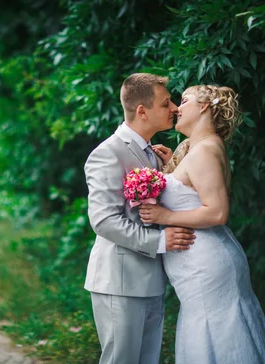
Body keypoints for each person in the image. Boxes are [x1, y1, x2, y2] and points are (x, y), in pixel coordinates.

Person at [140, 85, 265, 364]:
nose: (177, 108)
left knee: (218, 335)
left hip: (206, 263)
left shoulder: (204, 149)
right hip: (198, 263)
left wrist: (165, 218)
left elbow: (217, 213)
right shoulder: (199, 147)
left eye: (184, 100)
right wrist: (171, 168)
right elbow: (192, 193)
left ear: (204, 106)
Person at [84, 73, 196, 364]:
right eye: (166, 103)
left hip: (152, 280)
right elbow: (104, 220)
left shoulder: (154, 155)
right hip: (120, 281)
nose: (174, 108)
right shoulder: (107, 153)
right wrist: (160, 240)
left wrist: (170, 167)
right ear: (142, 111)